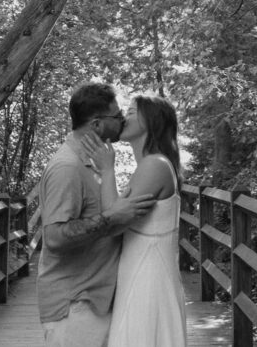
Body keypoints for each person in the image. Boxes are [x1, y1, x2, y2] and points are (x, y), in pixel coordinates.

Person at [37, 82, 157, 347]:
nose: (123, 119)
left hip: (92, 301)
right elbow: (55, 237)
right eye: (117, 116)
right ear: (97, 124)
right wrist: (113, 218)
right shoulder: (67, 168)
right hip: (75, 305)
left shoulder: (91, 161)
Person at [83, 94, 188, 347]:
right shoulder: (151, 165)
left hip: (148, 276)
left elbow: (114, 220)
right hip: (140, 268)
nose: (124, 117)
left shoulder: (154, 166)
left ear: (151, 121)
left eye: (131, 112)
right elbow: (116, 212)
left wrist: (108, 170)